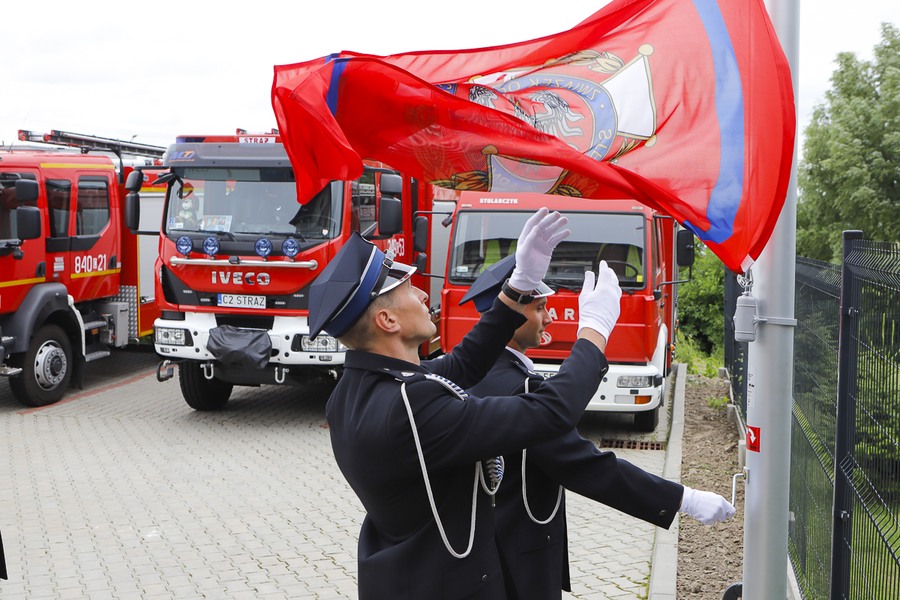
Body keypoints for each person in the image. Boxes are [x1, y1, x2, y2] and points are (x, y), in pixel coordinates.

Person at [306, 208, 621, 599]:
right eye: (407, 287)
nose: (422, 294)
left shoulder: (354, 391)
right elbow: (550, 413)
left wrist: (517, 288)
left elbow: (463, 363)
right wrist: (594, 333)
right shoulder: (411, 404)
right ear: (388, 321)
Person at [461, 255, 736, 599]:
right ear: (511, 314)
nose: (549, 317)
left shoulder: (475, 374)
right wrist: (684, 499)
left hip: (485, 552)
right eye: (540, 308)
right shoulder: (517, 386)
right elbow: (586, 466)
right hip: (515, 565)